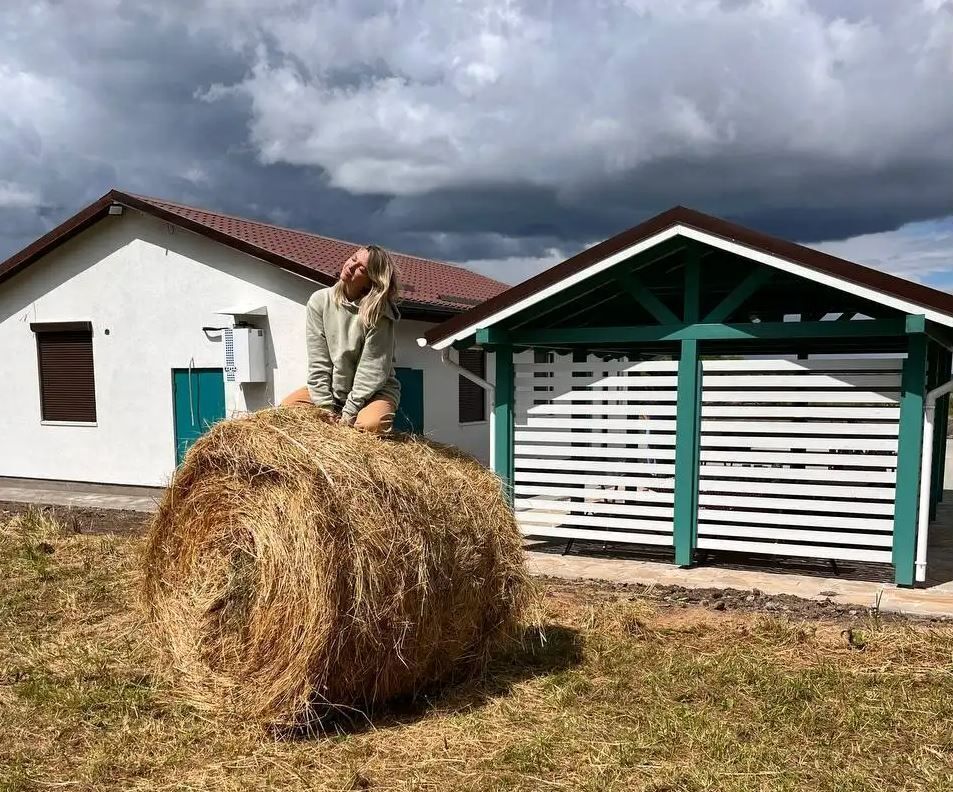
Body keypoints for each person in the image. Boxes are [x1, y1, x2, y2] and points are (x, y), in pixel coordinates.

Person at [280, 245, 401, 433]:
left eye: (361, 268)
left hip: (373, 393)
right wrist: (324, 409)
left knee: (370, 425)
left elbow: (371, 371)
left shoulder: (378, 312)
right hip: (332, 390)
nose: (351, 266)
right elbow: (318, 361)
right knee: (285, 412)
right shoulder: (319, 301)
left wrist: (348, 415)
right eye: (353, 259)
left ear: (371, 280)